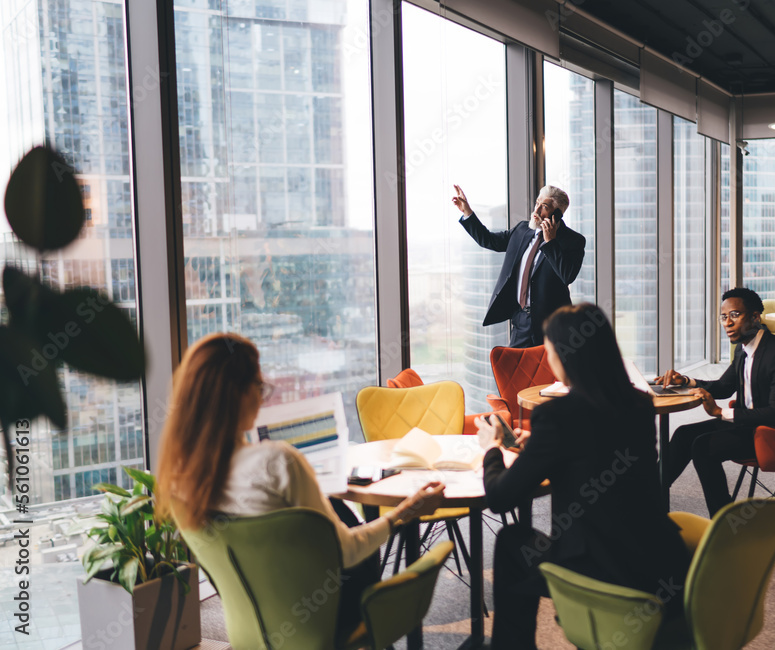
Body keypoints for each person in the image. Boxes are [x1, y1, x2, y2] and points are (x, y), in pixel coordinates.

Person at [154, 333, 444, 635]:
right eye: (258, 385)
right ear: (236, 394)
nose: (261, 394)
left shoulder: (180, 481)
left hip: (250, 626)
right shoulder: (277, 462)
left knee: (332, 506)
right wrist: (405, 512)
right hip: (328, 618)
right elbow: (346, 553)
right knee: (340, 514)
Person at [477, 304, 691, 650]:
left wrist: (492, 449)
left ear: (564, 355)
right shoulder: (638, 404)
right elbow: (594, 450)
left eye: (549, 353)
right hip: (660, 563)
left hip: (602, 571)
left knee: (512, 542)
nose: (549, 361)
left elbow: (501, 498)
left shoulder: (557, 415)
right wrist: (544, 449)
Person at [656, 287, 775, 517]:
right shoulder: (743, 350)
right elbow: (724, 387)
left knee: (703, 448)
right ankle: (649, 495)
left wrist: (721, 413)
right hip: (752, 424)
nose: (727, 323)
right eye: (724, 317)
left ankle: (723, 523)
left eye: (735, 315)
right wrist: (686, 380)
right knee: (684, 434)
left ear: (755, 317)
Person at [453, 184, 586, 347]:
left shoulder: (573, 241)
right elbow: (488, 240)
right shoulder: (522, 230)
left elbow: (567, 275)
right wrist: (467, 211)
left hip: (552, 326)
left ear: (558, 214)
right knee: (515, 370)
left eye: (544, 206)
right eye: (537, 202)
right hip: (521, 321)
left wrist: (550, 242)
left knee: (548, 372)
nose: (536, 210)